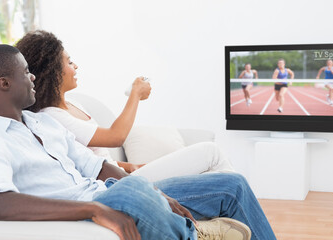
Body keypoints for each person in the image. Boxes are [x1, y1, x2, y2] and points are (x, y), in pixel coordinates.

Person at [0, 44, 277, 240]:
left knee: (231, 185)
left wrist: (154, 191)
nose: (32, 78)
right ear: (4, 83)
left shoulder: (42, 122)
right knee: (133, 191)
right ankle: (194, 235)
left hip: (112, 192)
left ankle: (170, 213)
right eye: (25, 73)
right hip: (96, 202)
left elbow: (97, 166)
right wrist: (93, 209)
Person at [15, 30, 234, 182]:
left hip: (124, 175)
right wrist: (135, 95)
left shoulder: (73, 103)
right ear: (52, 72)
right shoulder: (52, 117)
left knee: (211, 172)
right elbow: (115, 137)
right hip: (115, 186)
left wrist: (131, 167)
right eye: (69, 62)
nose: (76, 66)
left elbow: (99, 158)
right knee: (210, 152)